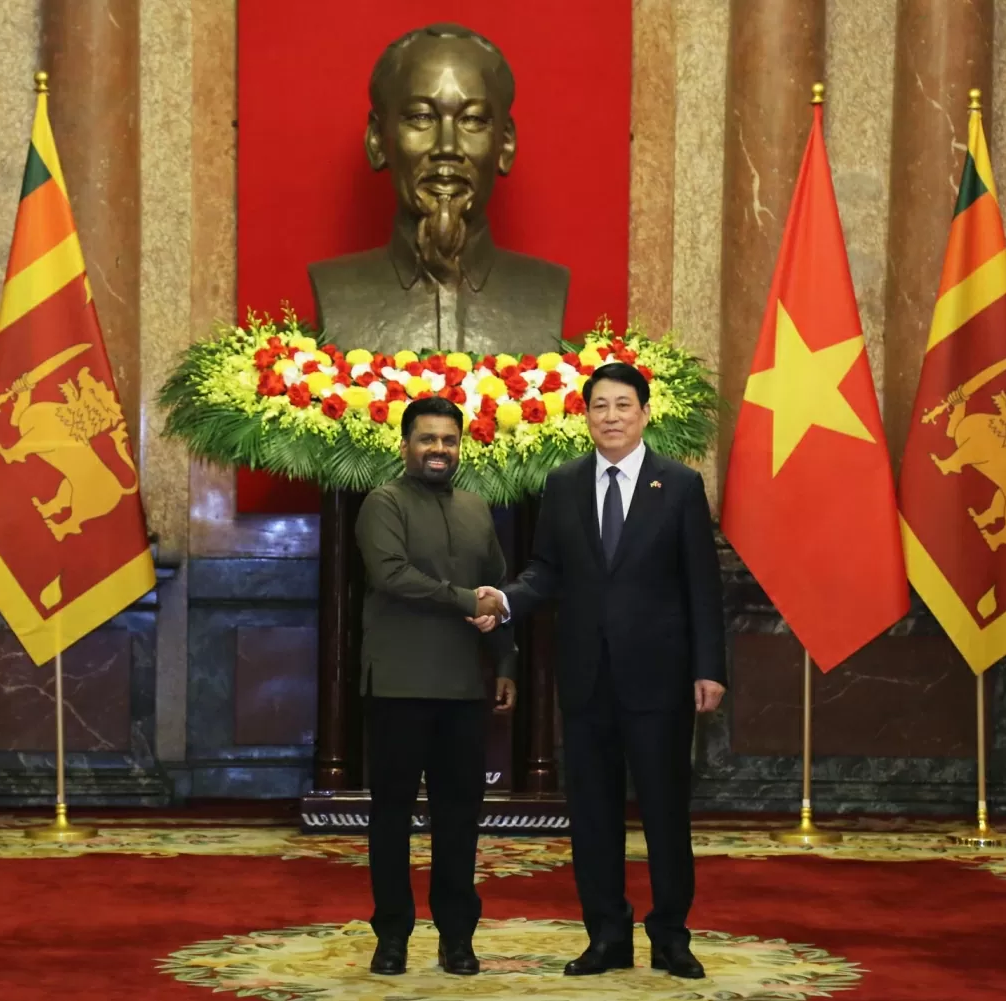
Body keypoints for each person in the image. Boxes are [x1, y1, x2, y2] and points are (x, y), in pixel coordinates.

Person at [477, 362, 726, 980]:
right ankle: (606, 935)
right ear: (584, 416)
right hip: (586, 676)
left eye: (622, 405)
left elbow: (703, 585)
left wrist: (709, 667)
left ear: (645, 413)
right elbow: (545, 571)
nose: (610, 417)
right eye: (599, 407)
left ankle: (670, 935)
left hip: (660, 677)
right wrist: (507, 599)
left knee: (666, 810)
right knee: (591, 813)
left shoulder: (680, 485)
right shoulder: (561, 485)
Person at [355, 396, 518, 977]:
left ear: (460, 447)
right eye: (427, 439)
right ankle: (392, 935)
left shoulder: (477, 509)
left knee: (459, 817)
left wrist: (505, 663)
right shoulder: (383, 502)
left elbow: (497, 593)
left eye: (448, 441)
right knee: (392, 815)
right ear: (405, 446)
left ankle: (457, 937)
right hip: (399, 683)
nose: (439, 450)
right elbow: (391, 575)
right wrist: (463, 600)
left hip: (463, 688)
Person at [308, 22, 568, 357]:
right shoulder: (336, 290)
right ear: (377, 141)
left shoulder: (546, 290)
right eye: (420, 117)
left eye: (472, 120)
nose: (447, 147)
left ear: (505, 144)